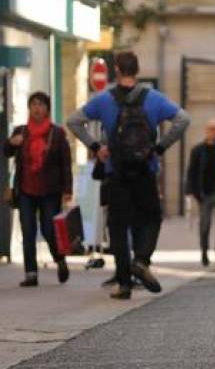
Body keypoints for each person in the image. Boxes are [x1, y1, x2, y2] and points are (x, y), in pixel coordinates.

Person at [67, 51, 190, 300]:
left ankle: (123, 284)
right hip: (146, 170)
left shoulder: (104, 100)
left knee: (118, 227)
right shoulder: (153, 98)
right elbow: (182, 119)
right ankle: (142, 260)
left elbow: (74, 121)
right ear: (137, 69)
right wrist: (159, 147)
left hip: (117, 172)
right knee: (152, 217)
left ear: (117, 70)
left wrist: (95, 147)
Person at [3, 92, 72, 287]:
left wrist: (67, 190)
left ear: (47, 109)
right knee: (28, 230)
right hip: (25, 189)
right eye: (33, 104)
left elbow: (65, 163)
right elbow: (6, 152)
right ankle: (31, 273)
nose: (37, 108)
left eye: (41, 104)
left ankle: (59, 260)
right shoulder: (21, 131)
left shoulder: (57, 133)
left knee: (50, 230)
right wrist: (10, 142)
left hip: (50, 190)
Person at [186, 119, 215, 269]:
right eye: (211, 129)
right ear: (206, 130)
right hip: (204, 194)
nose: (214, 132)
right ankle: (204, 252)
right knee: (204, 226)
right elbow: (191, 172)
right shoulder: (198, 150)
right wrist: (190, 192)